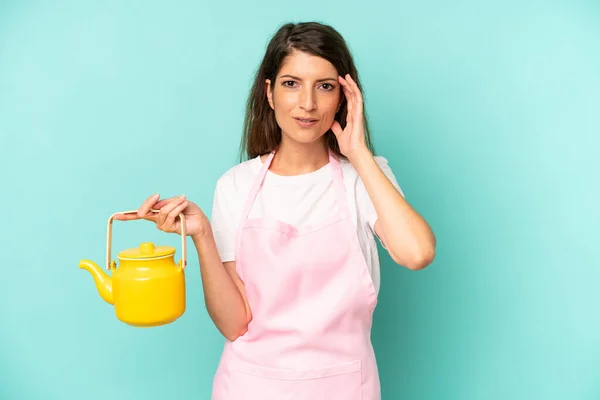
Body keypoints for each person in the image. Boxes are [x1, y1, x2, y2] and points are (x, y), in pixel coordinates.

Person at [116, 21, 436, 400]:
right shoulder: (235, 185)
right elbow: (235, 324)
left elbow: (417, 254)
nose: (308, 103)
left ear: (344, 97)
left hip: (346, 386)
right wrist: (203, 237)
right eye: (291, 83)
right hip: (249, 387)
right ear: (269, 92)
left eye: (325, 86)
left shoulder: (365, 177)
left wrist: (359, 153)